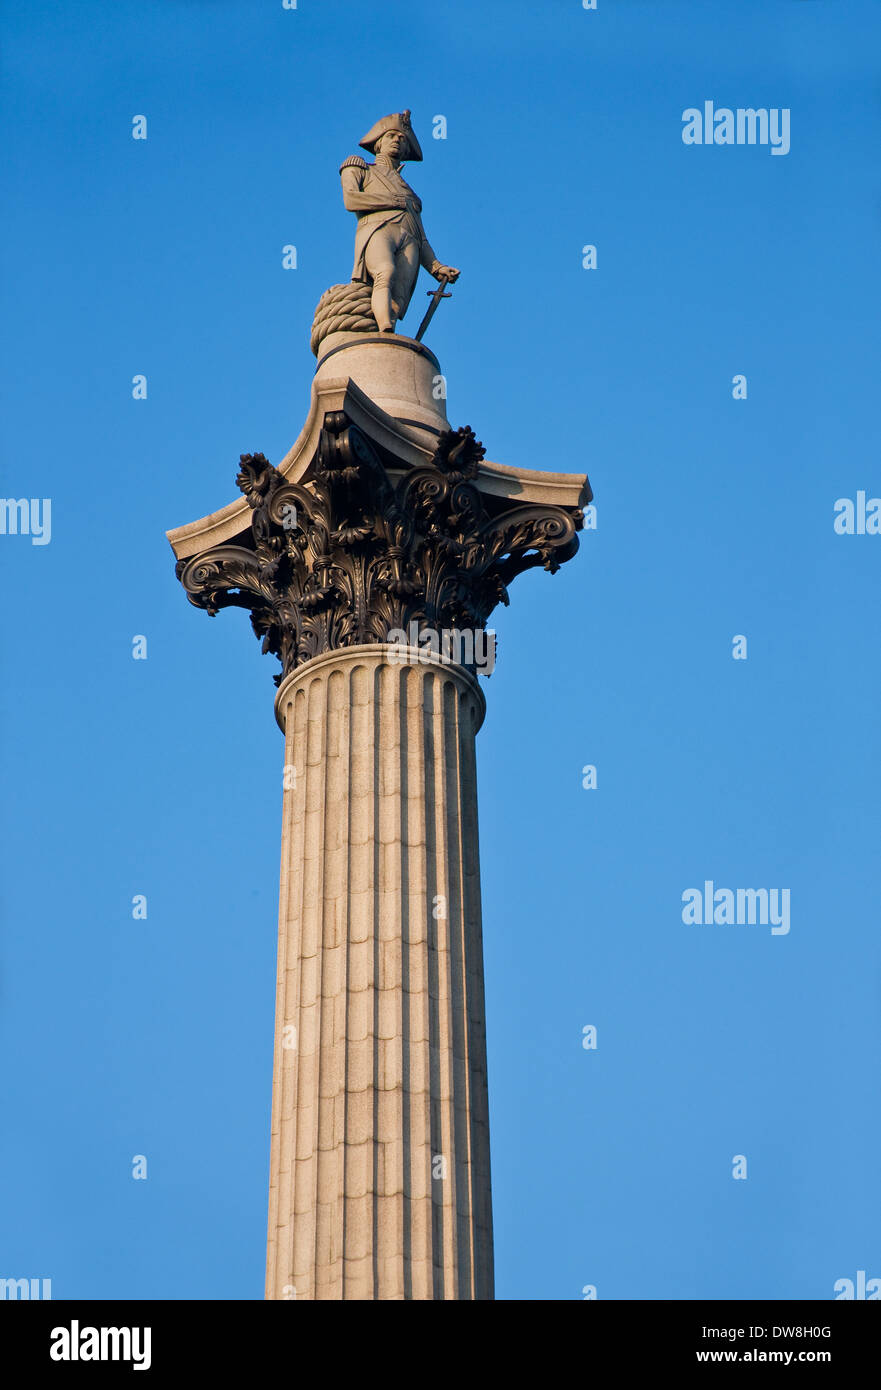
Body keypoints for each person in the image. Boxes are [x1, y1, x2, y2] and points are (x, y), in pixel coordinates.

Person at [340, 110, 460, 334]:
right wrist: (391, 200)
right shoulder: (360, 167)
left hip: (410, 240)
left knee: (399, 296)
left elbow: (422, 238)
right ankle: (384, 327)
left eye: (402, 138)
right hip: (378, 229)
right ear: (378, 141)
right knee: (385, 271)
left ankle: (388, 333)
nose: (397, 140)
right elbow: (351, 199)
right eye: (391, 136)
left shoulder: (413, 197)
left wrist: (436, 267)